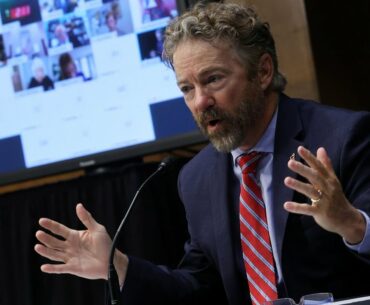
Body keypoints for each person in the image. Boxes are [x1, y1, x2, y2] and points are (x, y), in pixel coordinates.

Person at [34, 2, 370, 305]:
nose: (200, 102)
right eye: (187, 88)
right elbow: (198, 288)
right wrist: (119, 266)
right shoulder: (196, 177)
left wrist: (353, 225)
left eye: (213, 79)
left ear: (263, 71)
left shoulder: (342, 138)